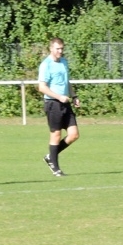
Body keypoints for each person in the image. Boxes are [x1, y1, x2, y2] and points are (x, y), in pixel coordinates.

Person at [38, 37, 80, 176]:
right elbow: (42, 87)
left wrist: (73, 96)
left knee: (74, 134)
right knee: (56, 135)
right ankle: (55, 168)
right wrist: (59, 97)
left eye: (62, 49)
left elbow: (66, 81)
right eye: (57, 49)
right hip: (53, 103)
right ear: (51, 48)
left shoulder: (64, 62)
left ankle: (50, 156)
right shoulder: (46, 65)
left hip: (65, 103)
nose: (60, 51)